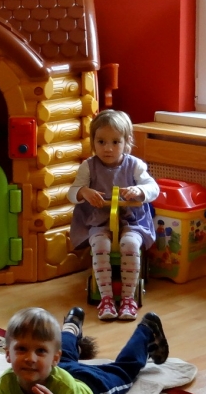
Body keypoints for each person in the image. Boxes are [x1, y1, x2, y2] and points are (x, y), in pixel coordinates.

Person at [0, 306, 170, 394]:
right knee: (65, 356)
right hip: (58, 368)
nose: (30, 359)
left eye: (40, 351)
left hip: (90, 384)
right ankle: (71, 326)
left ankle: (147, 330)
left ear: (54, 359)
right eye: (21, 349)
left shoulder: (64, 387)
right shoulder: (5, 382)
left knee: (123, 372)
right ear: (8, 354)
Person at [68, 109, 159, 321]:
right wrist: (84, 192)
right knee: (100, 246)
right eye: (101, 142)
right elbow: (72, 193)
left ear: (127, 142)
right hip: (100, 222)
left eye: (115, 142)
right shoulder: (88, 166)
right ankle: (106, 298)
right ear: (93, 142)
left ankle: (128, 298)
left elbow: (153, 188)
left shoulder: (134, 165)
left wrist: (139, 190)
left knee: (130, 245)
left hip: (131, 221)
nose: (108, 148)